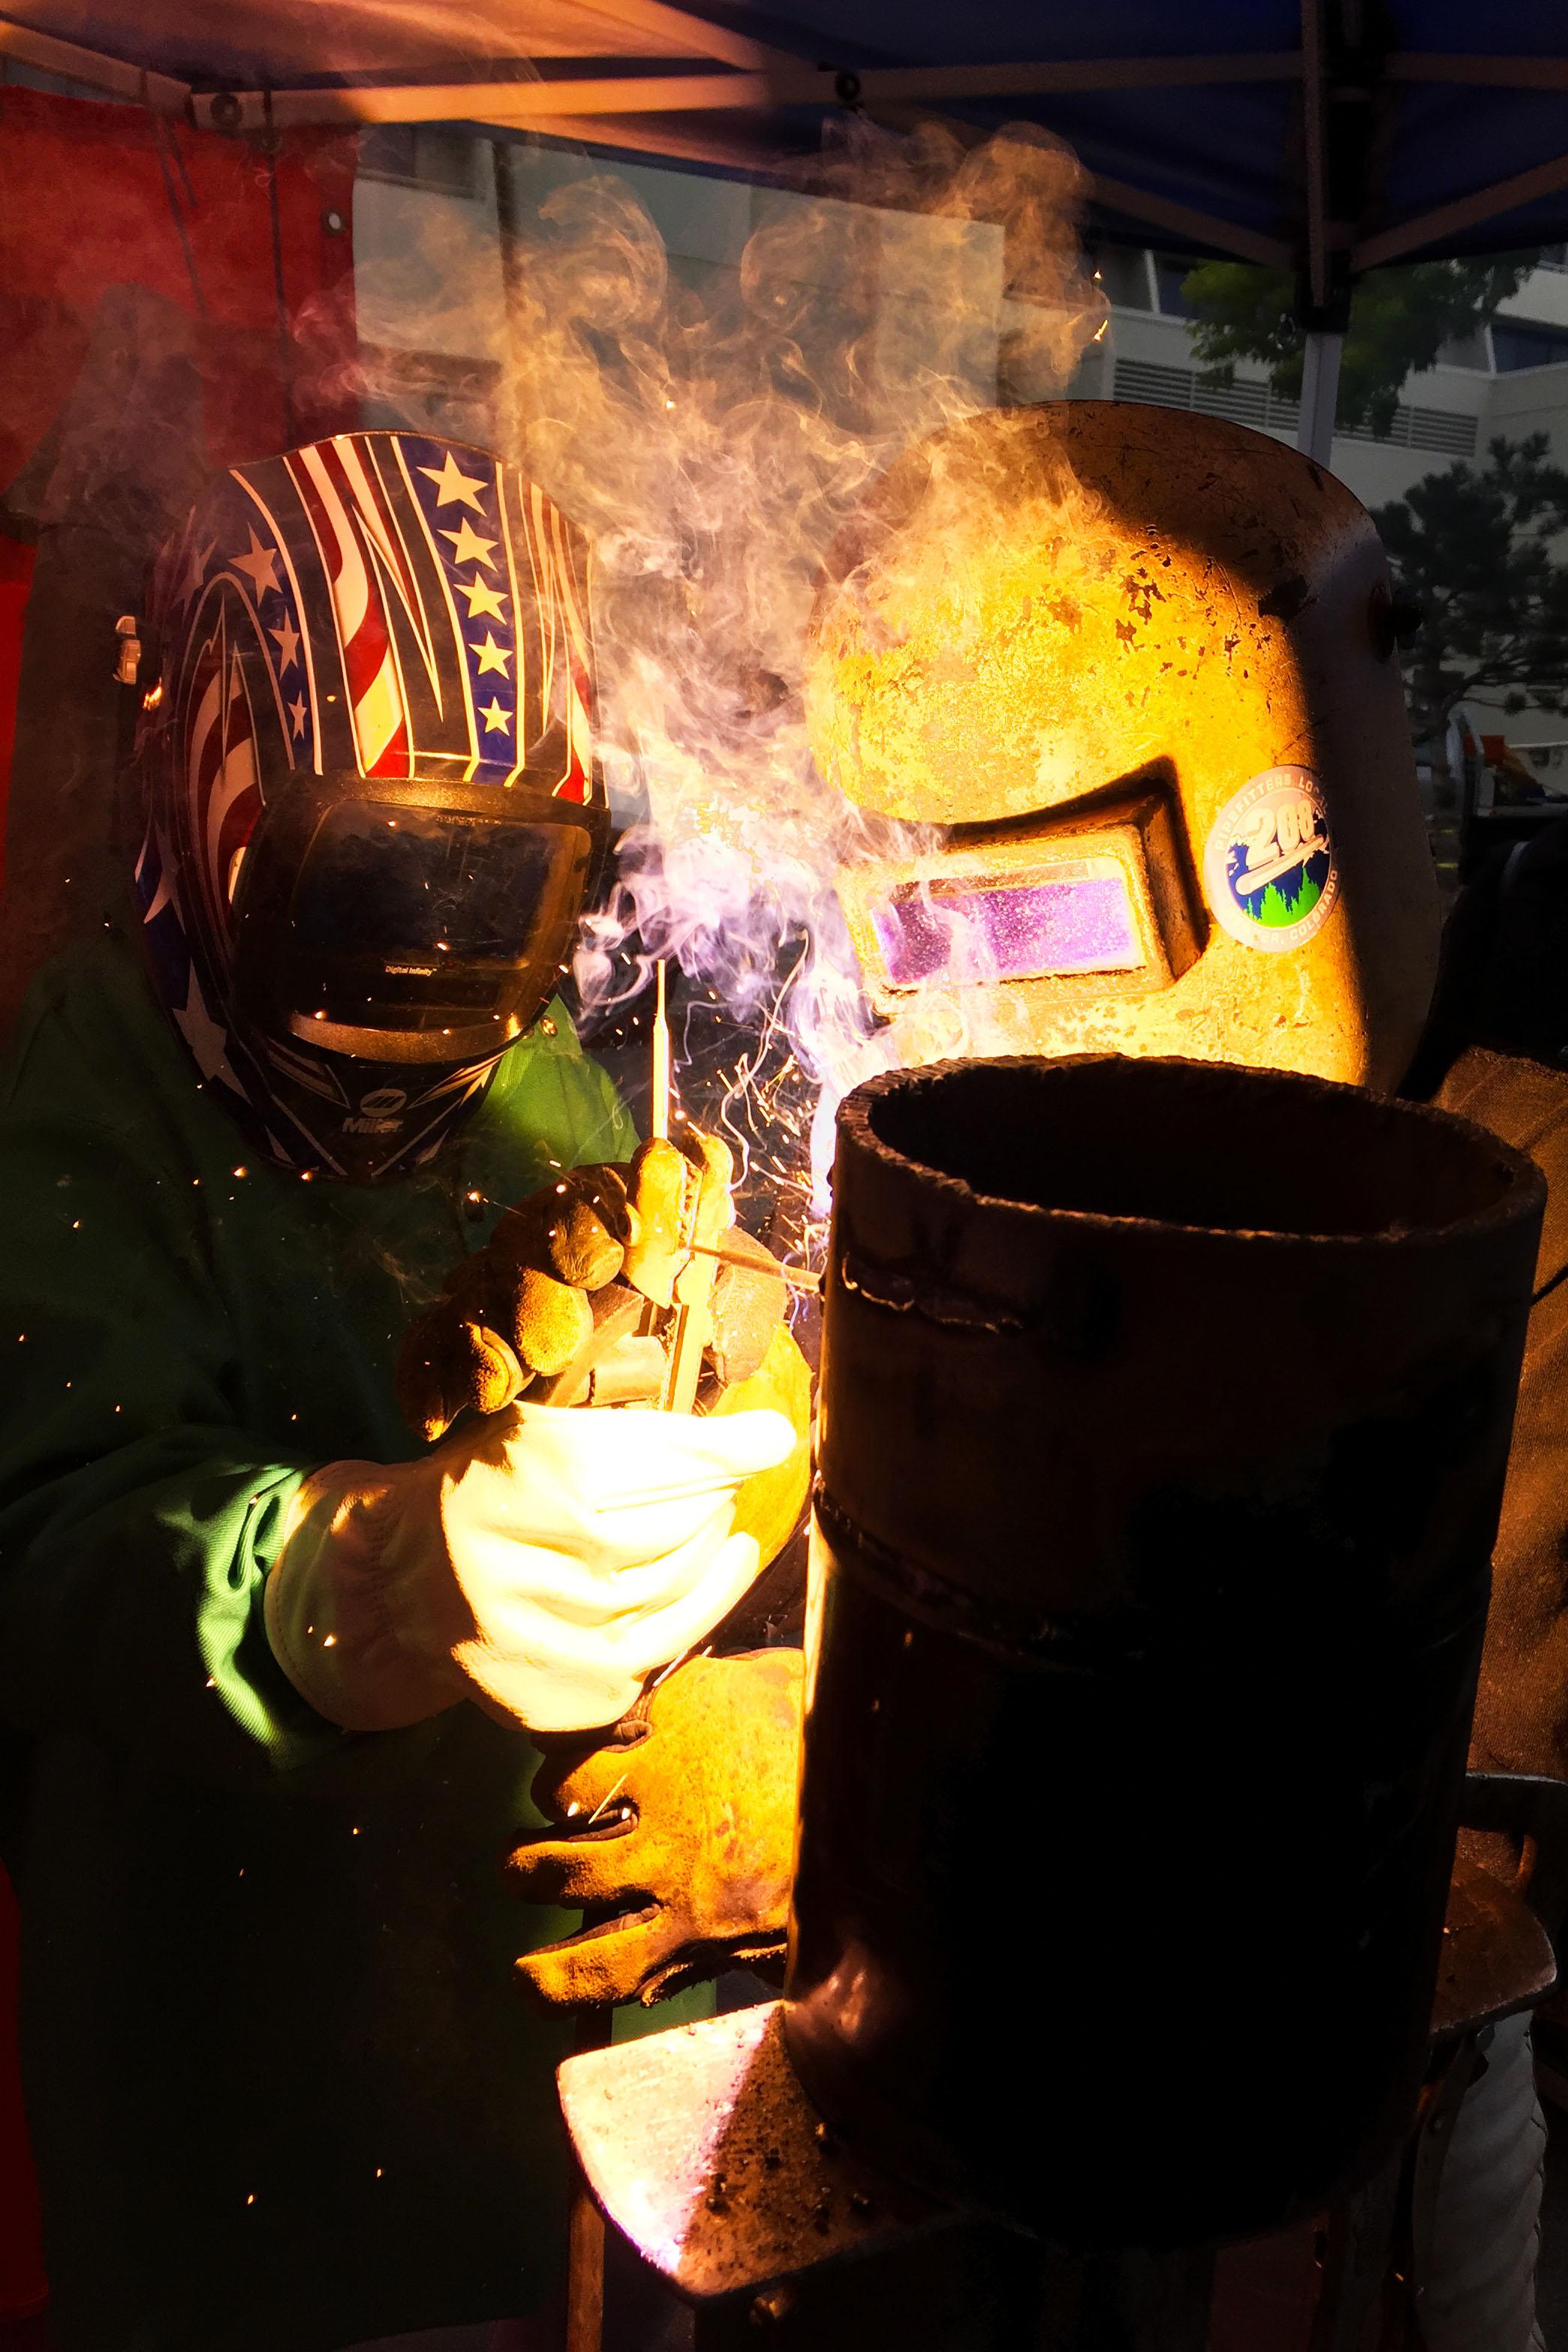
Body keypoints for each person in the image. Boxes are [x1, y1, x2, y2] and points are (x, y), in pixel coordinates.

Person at [504, 403, 1555, 2350]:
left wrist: (839, 1779)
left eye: (1020, 919)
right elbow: (905, 1476)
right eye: (897, 925)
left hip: (1341, 2194)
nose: (939, 1004)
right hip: (965, 2147)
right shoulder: (997, 1200)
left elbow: (1429, 1801)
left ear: (1270, 853)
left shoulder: (1525, 1225)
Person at [0, 429, 807, 2352]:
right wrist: (361, 1569)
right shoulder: (83, 1085)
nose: (424, 972)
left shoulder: (536, 1066)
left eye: (491, 894)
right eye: (369, 881)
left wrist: (764, 1542)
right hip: (262, 2148)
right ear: (216, 794)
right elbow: (50, 1544)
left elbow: (660, 1418)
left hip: (577, 2106)